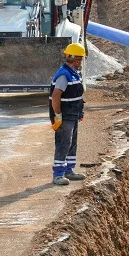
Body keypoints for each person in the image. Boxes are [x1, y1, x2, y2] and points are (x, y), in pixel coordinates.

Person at [49, 42, 87, 186]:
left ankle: (69, 170)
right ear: (76, 60)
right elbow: (56, 96)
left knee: (72, 143)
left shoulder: (74, 74)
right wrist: (57, 115)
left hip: (73, 114)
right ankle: (58, 174)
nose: (81, 62)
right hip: (65, 115)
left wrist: (79, 112)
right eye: (81, 59)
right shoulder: (64, 76)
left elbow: (76, 94)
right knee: (64, 143)